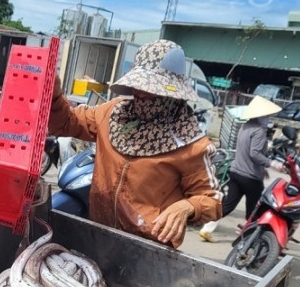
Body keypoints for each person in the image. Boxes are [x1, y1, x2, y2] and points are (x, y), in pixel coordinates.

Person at [48, 39, 222, 249]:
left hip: (146, 248)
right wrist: (54, 95)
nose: (140, 93)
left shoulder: (191, 143)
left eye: (150, 89)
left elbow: (212, 201)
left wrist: (187, 206)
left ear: (171, 94)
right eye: (138, 86)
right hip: (99, 231)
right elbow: (67, 123)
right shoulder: (113, 113)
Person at [199, 95, 284, 242]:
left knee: (228, 204)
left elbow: (246, 152)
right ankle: (247, 238)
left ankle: (206, 229)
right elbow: (254, 154)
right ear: (261, 116)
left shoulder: (245, 127)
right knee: (254, 209)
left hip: (236, 172)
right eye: (267, 116)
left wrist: (262, 168)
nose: (269, 119)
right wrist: (271, 163)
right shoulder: (259, 132)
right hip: (250, 177)